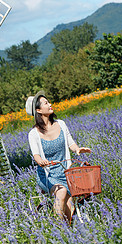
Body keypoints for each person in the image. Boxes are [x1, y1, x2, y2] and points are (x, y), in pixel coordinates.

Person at [26, 91, 91, 222]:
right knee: (60, 193)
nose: (50, 104)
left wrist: (78, 149)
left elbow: (70, 142)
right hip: (48, 175)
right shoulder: (34, 134)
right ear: (38, 110)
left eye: (48, 102)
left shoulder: (60, 124)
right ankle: (58, 231)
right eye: (46, 103)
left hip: (65, 172)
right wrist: (41, 162)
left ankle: (68, 233)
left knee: (69, 211)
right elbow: (36, 155)